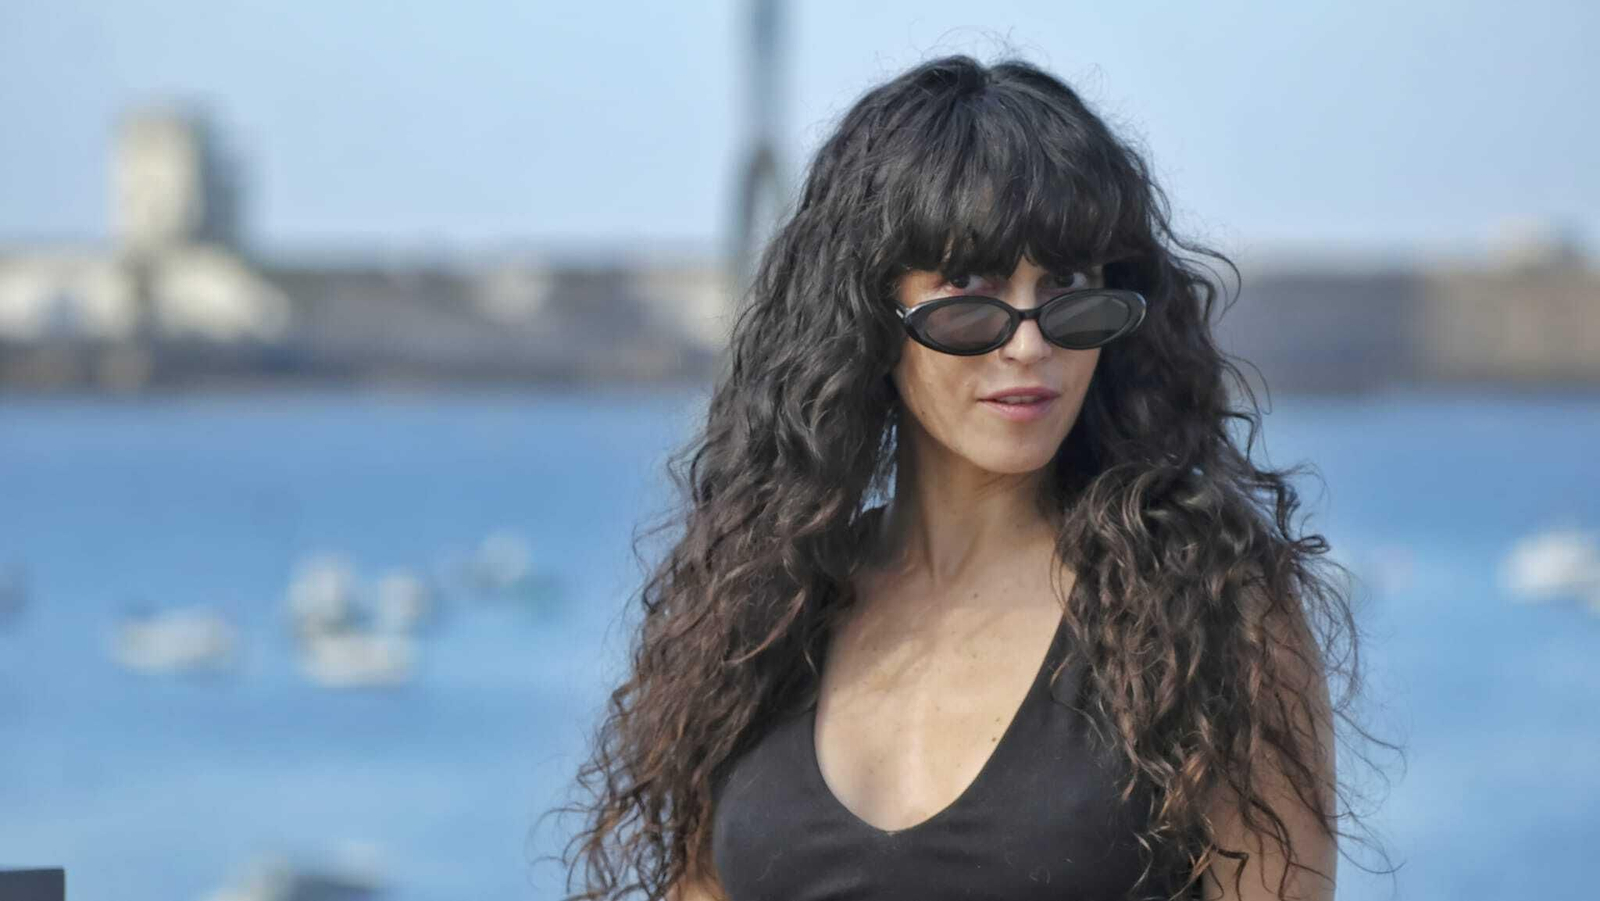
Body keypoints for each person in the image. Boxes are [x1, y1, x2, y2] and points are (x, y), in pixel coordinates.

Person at [542, 53, 1396, 901]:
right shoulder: (760, 606)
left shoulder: (1210, 612)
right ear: (870, 317)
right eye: (970, 293)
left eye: (1067, 290)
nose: (1029, 345)